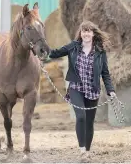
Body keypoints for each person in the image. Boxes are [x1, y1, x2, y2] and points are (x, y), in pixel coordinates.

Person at [49, 20, 116, 161]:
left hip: (92, 90)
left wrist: (111, 90)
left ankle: (87, 150)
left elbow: (105, 73)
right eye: (83, 31)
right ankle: (81, 151)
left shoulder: (100, 52)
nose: (86, 33)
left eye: (88, 31)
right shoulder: (73, 47)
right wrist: (40, 51)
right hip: (76, 88)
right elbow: (55, 53)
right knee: (81, 117)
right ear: (80, 33)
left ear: (93, 34)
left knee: (89, 122)